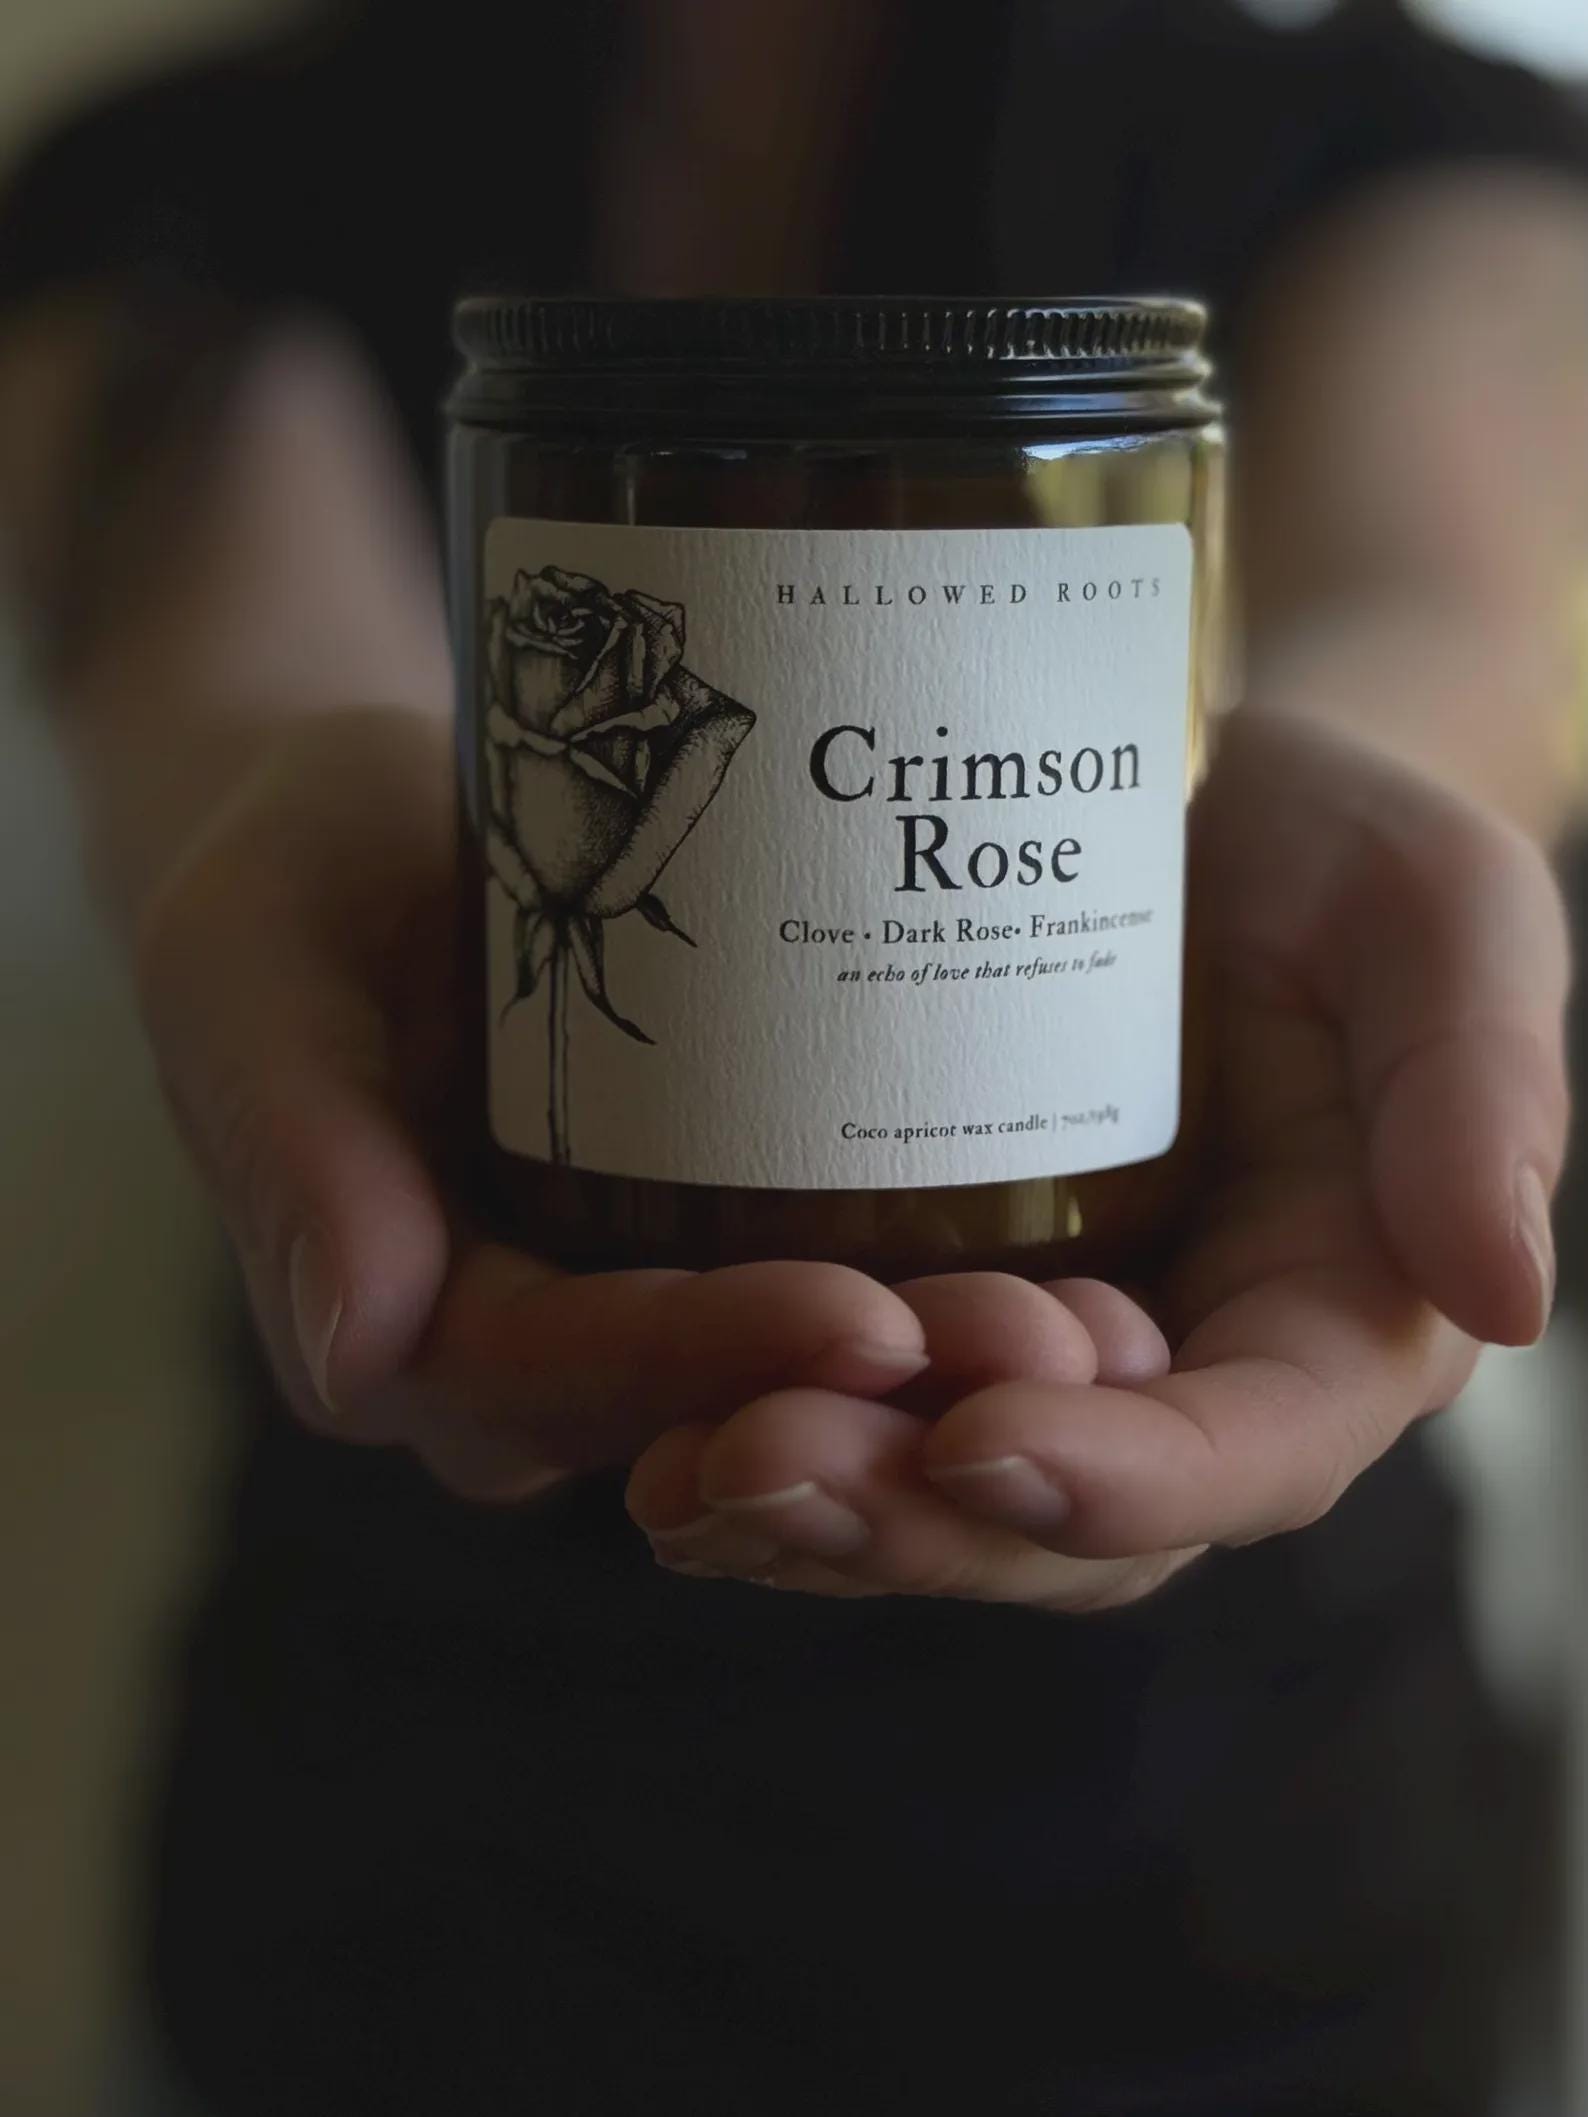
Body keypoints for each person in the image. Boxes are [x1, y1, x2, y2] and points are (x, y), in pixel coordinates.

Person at [1, 2, 1585, 2110]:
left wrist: (1339, 793)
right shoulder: (179, 170)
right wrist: (292, 801)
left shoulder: (1423, 131)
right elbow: (226, 632)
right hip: (406, 1899)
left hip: (1233, 1920)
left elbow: (1447, 574)